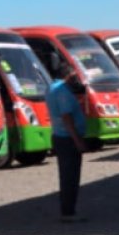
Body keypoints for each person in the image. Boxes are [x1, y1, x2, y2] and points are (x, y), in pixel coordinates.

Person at [45, 69, 88, 222]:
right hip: (68, 139)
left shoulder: (51, 88)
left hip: (60, 136)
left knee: (66, 175)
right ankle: (69, 212)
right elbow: (67, 117)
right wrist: (78, 140)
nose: (77, 78)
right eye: (75, 75)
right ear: (68, 75)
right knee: (71, 176)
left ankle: (68, 210)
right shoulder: (62, 91)